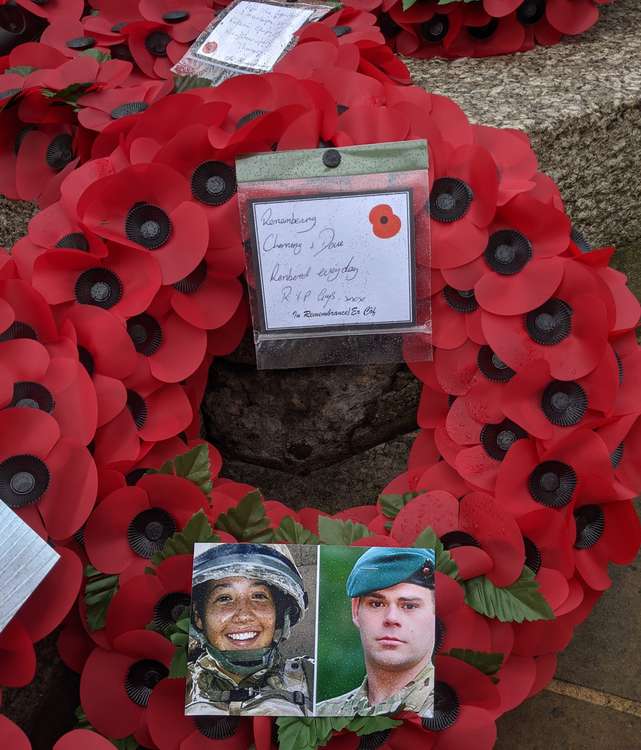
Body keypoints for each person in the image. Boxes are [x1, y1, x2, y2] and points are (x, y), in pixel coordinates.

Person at [186, 543, 314, 716]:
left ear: (280, 614)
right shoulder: (177, 687)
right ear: (198, 616)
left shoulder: (315, 679)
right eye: (224, 598)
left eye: (259, 596)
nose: (244, 615)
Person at [315, 547, 436, 717]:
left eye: (409, 606)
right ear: (356, 610)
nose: (391, 618)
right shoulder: (322, 715)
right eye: (377, 604)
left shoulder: (452, 714)